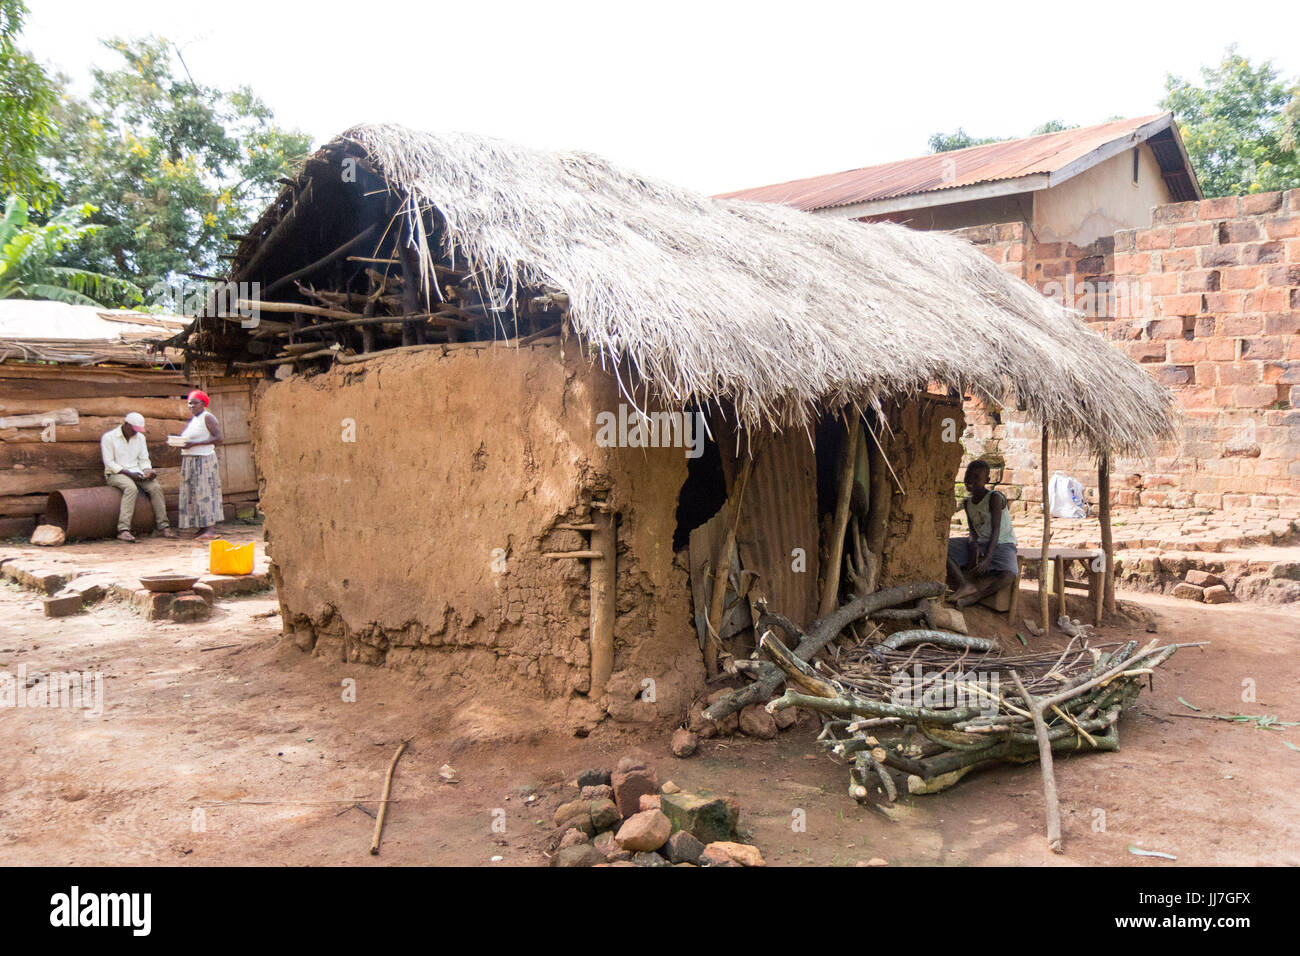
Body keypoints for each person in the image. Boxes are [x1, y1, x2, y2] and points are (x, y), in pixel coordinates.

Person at [947, 459, 1018, 608]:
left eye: (976, 477)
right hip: (981, 543)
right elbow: (973, 529)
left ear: (987, 480)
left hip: (1002, 543)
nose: (970, 480)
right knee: (943, 547)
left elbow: (996, 529)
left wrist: (988, 558)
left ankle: (975, 597)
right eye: (968, 475)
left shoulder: (994, 498)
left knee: (1009, 575)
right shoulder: (967, 503)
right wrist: (973, 543)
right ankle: (964, 585)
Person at [101, 412, 177, 542]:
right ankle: (123, 530)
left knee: (155, 488)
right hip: (116, 473)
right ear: (126, 425)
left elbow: (144, 459)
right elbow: (109, 463)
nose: (135, 433)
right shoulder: (109, 438)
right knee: (131, 489)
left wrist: (148, 471)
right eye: (134, 430)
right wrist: (129, 474)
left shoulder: (140, 438)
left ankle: (164, 526)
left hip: (137, 472)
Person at [174, 390, 224, 539]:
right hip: (191, 459)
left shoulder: (207, 417)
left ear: (203, 404)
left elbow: (218, 438)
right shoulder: (195, 420)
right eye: (189, 403)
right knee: (195, 493)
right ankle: (203, 527)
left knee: (205, 492)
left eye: (195, 403)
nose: (191, 406)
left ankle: (210, 529)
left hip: (204, 460)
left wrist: (195, 443)